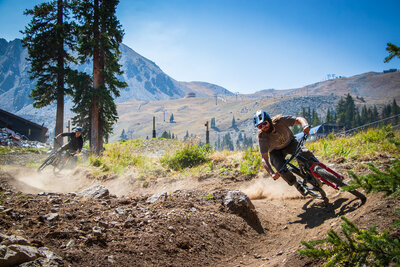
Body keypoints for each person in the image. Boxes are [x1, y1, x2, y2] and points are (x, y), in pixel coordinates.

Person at [253, 110, 314, 196]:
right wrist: (272, 174)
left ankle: (317, 170)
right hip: (275, 152)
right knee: (280, 168)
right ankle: (297, 185)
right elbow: (264, 159)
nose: (263, 127)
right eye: (259, 126)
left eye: (265, 123)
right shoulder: (262, 138)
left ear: (269, 120)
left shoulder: (280, 121)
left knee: (306, 153)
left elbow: (299, 119)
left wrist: (305, 125)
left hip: (290, 143)